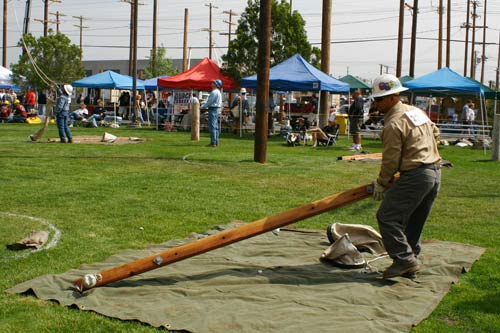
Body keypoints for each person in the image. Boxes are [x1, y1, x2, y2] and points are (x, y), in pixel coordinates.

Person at [370, 74, 441, 279]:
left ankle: (404, 260)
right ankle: (411, 261)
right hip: (434, 171)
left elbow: (390, 160)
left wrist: (382, 183)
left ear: (393, 97)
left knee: (387, 217)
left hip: (417, 175)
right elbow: (435, 133)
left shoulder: (393, 123)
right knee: (414, 221)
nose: (377, 103)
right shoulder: (416, 112)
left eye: (379, 99)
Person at [202, 79, 223, 147]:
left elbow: (209, 102)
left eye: (213, 82)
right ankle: (216, 141)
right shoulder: (218, 92)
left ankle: (213, 142)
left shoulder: (214, 92)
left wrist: (202, 107)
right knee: (215, 126)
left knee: (212, 126)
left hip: (213, 109)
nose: (212, 83)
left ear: (216, 85)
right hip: (216, 109)